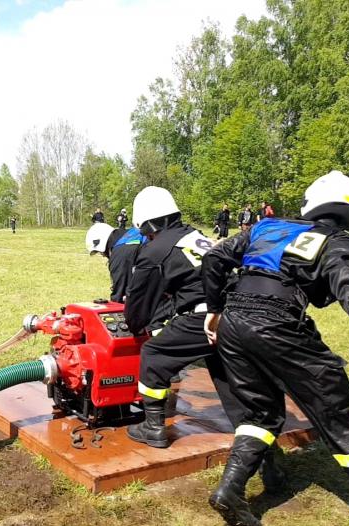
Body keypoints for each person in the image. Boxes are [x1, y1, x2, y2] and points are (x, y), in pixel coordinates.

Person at [201, 170, 349, 526]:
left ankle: (231, 489)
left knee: (259, 413)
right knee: (339, 417)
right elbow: (348, 280)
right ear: (348, 212)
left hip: (235, 321)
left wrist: (215, 310)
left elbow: (214, 257)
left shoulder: (266, 226)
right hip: (278, 322)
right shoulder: (336, 239)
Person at [121, 187, 284, 490]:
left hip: (208, 316)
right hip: (242, 313)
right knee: (233, 389)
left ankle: (154, 427)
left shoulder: (155, 251)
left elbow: (139, 305)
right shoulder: (194, 236)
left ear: (147, 225)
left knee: (155, 354)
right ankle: (268, 462)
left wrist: (134, 325)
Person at [86, 222, 146, 303]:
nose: (103, 255)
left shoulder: (120, 253)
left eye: (100, 252)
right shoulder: (133, 233)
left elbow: (120, 291)